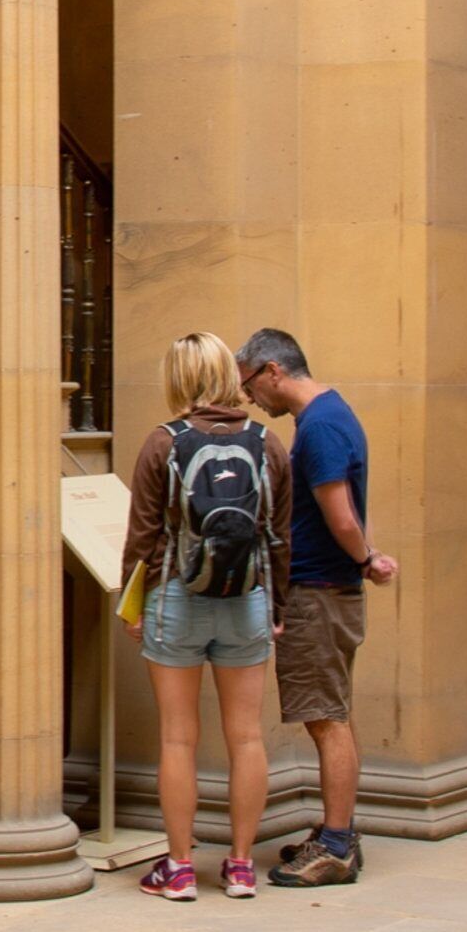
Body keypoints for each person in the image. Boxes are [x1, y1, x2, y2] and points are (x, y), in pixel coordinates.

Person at [118, 329, 292, 901]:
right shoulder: (268, 444)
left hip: (176, 598)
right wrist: (279, 607)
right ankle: (241, 866)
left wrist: (132, 602)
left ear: (179, 379)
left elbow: (142, 537)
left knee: (177, 739)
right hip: (247, 599)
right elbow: (279, 537)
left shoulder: (162, 443)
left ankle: (180, 866)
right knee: (246, 737)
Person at [236, 327, 396, 887]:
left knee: (326, 719)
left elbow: (342, 516)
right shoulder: (333, 414)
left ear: (273, 371)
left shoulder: (321, 426)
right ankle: (337, 833)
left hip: (317, 592)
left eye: (250, 385)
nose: (251, 398)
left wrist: (366, 557)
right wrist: (366, 558)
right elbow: (355, 505)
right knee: (334, 714)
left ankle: (335, 845)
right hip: (331, 589)